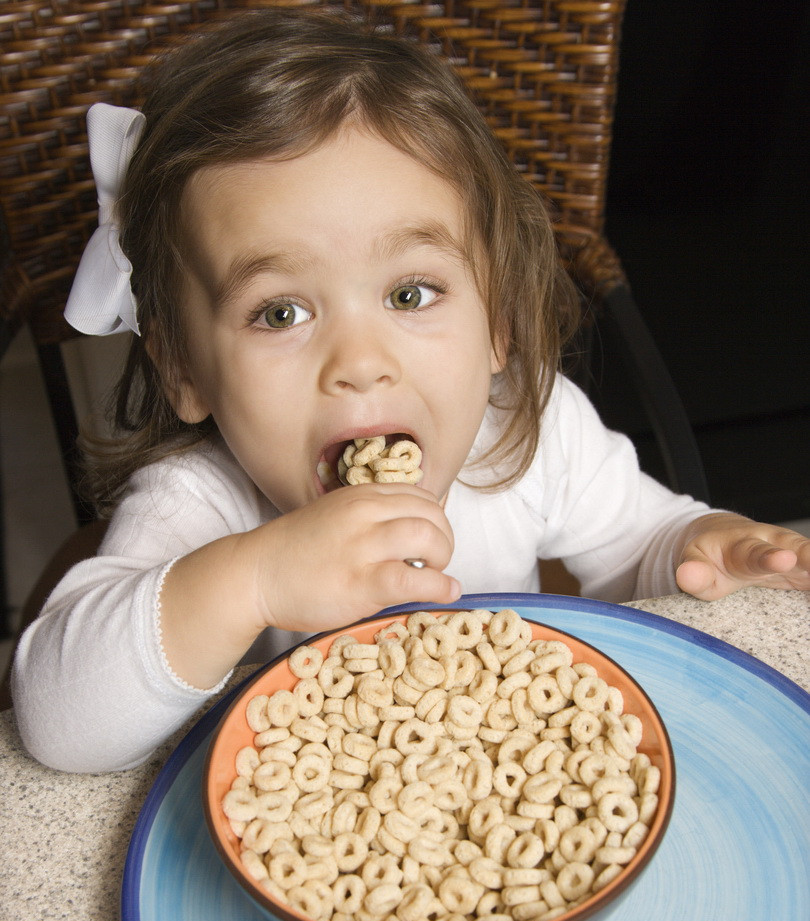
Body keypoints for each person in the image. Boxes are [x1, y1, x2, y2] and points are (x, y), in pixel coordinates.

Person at [11, 9, 808, 773]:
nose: (360, 361)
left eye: (410, 294)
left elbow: (638, 546)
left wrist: (702, 551)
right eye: (280, 312)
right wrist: (253, 582)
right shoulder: (199, 506)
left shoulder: (529, 434)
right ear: (183, 369)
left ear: (496, 317)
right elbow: (57, 725)